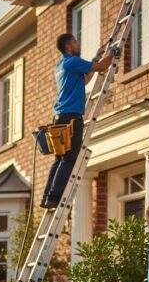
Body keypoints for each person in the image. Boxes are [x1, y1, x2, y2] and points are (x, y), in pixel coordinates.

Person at [40, 33, 115, 209]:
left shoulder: (61, 65)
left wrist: (95, 59)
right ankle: (55, 196)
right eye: (74, 42)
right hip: (71, 117)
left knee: (60, 159)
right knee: (70, 158)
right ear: (68, 46)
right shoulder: (73, 62)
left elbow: (85, 79)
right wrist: (113, 53)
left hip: (59, 117)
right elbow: (103, 67)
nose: (77, 43)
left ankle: (47, 197)